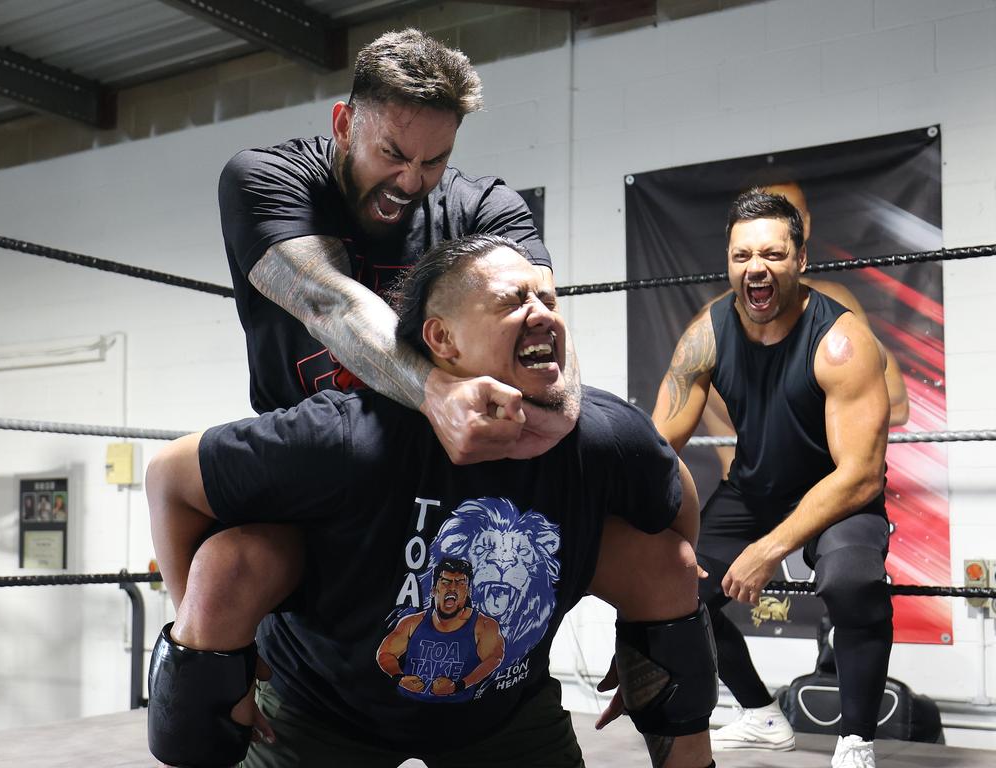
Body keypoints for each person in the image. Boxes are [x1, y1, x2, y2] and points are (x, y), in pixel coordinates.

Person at [146, 235, 717, 768]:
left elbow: (675, 510)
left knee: (666, 562)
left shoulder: (603, 434)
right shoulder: (350, 436)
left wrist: (647, 638)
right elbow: (168, 476)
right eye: (513, 301)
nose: (542, 312)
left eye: (547, 297)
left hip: (503, 703)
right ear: (442, 340)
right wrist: (210, 662)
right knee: (228, 561)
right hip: (323, 702)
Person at [218, 28, 577, 462]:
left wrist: (562, 409)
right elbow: (330, 304)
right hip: (307, 451)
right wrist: (438, 396)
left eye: (433, 161)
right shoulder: (269, 179)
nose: (410, 181)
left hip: (439, 456)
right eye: (392, 154)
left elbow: (546, 315)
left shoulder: (485, 207)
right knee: (228, 533)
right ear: (344, 126)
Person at [652, 190, 891, 768]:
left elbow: (861, 475)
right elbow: (656, 444)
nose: (755, 268)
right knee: (674, 586)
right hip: (755, 487)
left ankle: (857, 740)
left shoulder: (841, 341)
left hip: (838, 494)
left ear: (800, 260)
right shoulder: (707, 333)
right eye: (741, 256)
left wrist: (770, 548)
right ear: (729, 261)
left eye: (772, 254)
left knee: (852, 579)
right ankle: (759, 713)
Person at [699, 180, 909, 482]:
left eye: (787, 215)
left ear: (803, 226)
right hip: (747, 495)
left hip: (826, 489)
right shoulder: (709, 328)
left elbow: (898, 403)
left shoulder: (833, 307)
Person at [377, 557, 504, 701]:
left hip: (462, 710)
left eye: (460, 583)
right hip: (403, 707)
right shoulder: (411, 623)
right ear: (433, 590)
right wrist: (400, 678)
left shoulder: (484, 625)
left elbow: (494, 658)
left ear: (468, 591)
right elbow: (385, 653)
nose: (452, 588)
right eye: (445, 582)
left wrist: (458, 686)